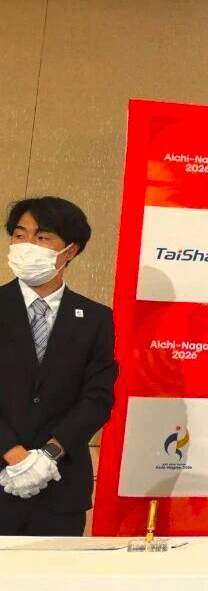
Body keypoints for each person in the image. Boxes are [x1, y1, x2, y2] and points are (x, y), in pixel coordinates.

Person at [0, 196, 117, 536]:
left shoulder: (95, 318)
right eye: (19, 235)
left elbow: (97, 397)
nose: (27, 245)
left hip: (61, 488)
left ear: (70, 251)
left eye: (42, 237)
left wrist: (49, 454)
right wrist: (13, 453)